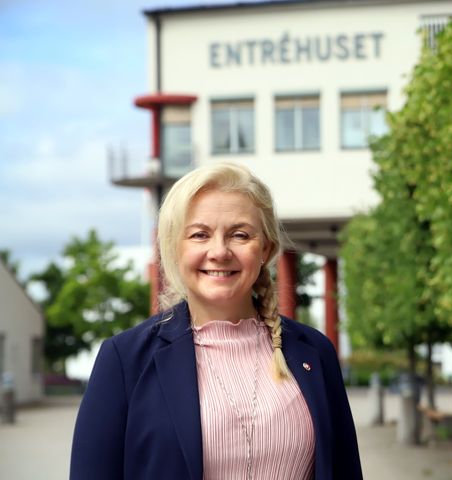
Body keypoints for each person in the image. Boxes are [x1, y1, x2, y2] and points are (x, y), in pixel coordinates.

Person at [71, 162, 363, 480]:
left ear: (265, 248)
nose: (219, 251)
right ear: (174, 247)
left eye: (240, 235)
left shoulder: (314, 352)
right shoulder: (125, 360)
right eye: (200, 234)